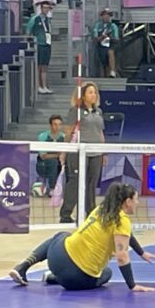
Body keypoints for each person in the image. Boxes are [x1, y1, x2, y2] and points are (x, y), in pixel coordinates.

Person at [9, 183, 155, 291]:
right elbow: (121, 256)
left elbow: (126, 235)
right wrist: (132, 285)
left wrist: (141, 252)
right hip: (75, 277)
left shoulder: (101, 210)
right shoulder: (123, 221)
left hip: (57, 256)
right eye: (136, 199)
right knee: (106, 273)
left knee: (61, 236)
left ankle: (23, 267)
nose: (137, 203)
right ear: (128, 201)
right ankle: (54, 277)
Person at [59, 83, 105, 223]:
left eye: (95, 92)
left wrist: (104, 152)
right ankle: (66, 214)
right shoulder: (76, 111)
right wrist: (65, 150)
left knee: (92, 183)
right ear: (83, 95)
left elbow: (101, 132)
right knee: (75, 181)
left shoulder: (99, 112)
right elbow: (68, 131)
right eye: (90, 92)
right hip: (78, 152)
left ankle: (90, 212)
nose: (94, 95)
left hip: (96, 152)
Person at [25, 0, 54, 94]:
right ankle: (37, 86)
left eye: (48, 8)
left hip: (47, 44)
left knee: (45, 66)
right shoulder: (35, 18)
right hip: (39, 45)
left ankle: (44, 85)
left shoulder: (48, 20)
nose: (46, 10)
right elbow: (28, 31)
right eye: (44, 8)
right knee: (39, 66)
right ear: (41, 8)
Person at [36, 114, 64, 195]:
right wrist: (57, 156)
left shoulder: (63, 137)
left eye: (59, 124)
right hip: (43, 165)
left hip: (60, 163)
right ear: (50, 125)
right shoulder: (43, 137)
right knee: (53, 162)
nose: (57, 127)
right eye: (55, 124)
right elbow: (43, 156)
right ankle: (52, 189)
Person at [91, 8, 120, 77]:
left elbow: (117, 39)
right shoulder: (97, 25)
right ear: (101, 16)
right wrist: (103, 36)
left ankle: (113, 71)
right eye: (105, 15)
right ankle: (107, 76)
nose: (106, 17)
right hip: (100, 47)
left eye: (108, 15)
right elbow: (95, 38)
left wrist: (110, 37)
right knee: (105, 65)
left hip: (110, 45)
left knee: (110, 53)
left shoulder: (113, 26)